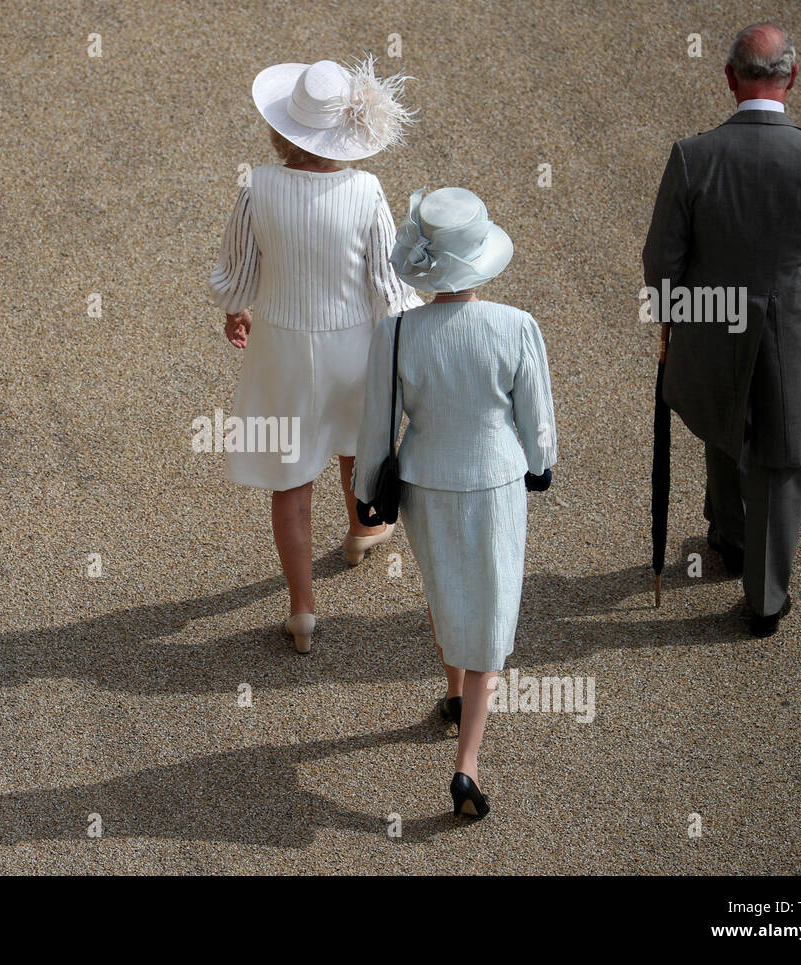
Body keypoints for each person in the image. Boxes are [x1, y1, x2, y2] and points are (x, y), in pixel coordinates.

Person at [643, 23, 801, 637]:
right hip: (791, 333)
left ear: (730, 78)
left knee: (722, 422)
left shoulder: (692, 155)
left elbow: (662, 259)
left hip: (713, 324)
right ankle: (763, 600)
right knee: (780, 458)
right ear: (791, 77)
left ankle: (730, 538)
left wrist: (674, 314)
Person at [355, 187, 557, 819]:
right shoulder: (515, 325)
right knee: (491, 614)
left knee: (447, 593)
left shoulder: (395, 333)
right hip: (495, 480)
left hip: (423, 483)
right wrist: (540, 466)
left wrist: (366, 493)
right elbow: (537, 420)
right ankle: (466, 766)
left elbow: (375, 425)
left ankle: (452, 694)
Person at [208, 58, 422, 653]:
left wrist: (237, 307)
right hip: (352, 343)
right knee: (356, 446)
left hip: (280, 346)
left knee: (290, 481)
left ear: (282, 130)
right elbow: (388, 282)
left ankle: (302, 610)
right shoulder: (365, 190)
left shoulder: (259, 186)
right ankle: (361, 530)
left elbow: (235, 271)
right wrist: (406, 336)